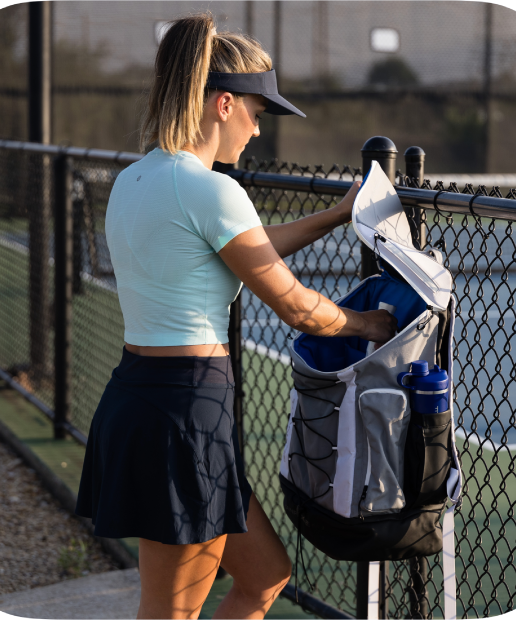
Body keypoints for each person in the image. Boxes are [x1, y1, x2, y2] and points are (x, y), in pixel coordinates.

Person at [75, 13, 397, 620]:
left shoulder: (138, 178)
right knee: (170, 613)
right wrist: (373, 327)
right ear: (224, 104)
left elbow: (237, 245)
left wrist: (334, 215)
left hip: (147, 399)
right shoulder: (211, 190)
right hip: (184, 414)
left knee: (265, 575)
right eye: (256, 112)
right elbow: (298, 307)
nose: (256, 130)